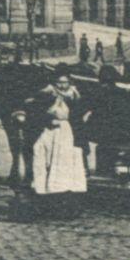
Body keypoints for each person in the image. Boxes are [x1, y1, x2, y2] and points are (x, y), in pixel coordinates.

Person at [28, 68, 89, 217]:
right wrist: (48, 120)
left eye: (65, 82)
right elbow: (36, 110)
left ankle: (67, 202)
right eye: (59, 82)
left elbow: (80, 114)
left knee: (67, 167)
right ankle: (48, 197)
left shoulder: (75, 95)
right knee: (47, 161)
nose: (62, 85)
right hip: (51, 131)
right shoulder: (47, 94)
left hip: (68, 133)